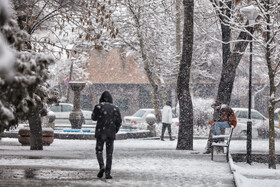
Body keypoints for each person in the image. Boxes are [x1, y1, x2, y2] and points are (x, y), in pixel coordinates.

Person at [91, 91, 122, 179]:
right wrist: (114, 130)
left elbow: (93, 118)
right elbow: (119, 121)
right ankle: (108, 173)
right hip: (110, 133)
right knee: (109, 154)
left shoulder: (98, 107)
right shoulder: (115, 108)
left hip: (100, 132)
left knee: (99, 150)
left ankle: (101, 166)